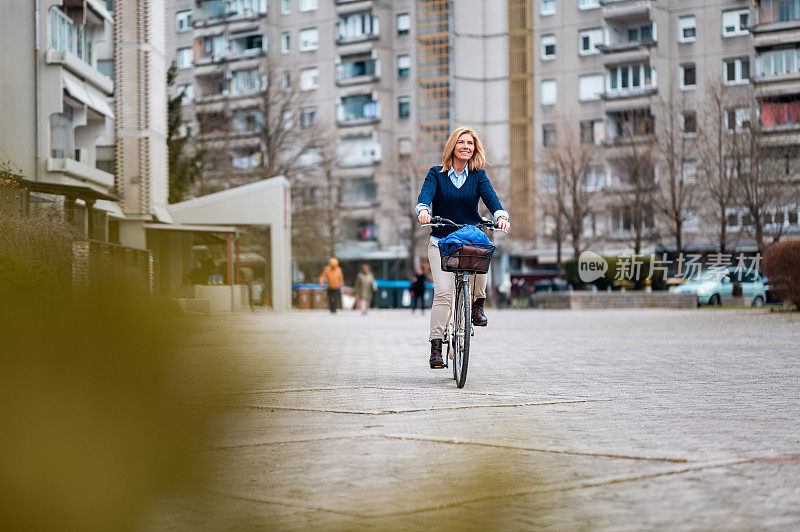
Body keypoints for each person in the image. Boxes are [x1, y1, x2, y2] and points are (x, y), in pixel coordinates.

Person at [416, 126, 510, 369]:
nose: (466, 146)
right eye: (461, 142)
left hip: (469, 240)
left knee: (485, 251)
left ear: (474, 148)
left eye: (470, 143)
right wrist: (424, 211)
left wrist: (500, 215)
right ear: (453, 147)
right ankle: (436, 346)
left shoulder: (478, 175)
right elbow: (425, 197)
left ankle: (477, 304)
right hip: (441, 244)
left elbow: (491, 199)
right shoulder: (436, 174)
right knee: (444, 295)